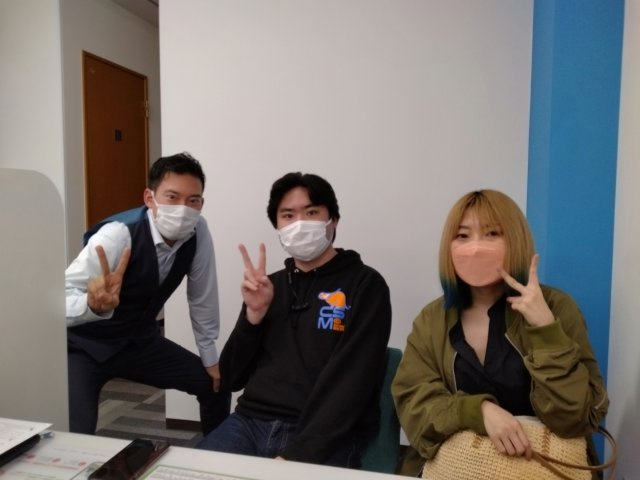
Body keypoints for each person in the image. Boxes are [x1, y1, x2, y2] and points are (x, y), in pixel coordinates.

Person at [391, 189, 609, 476]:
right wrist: (478, 411)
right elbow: (413, 402)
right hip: (458, 470)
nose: (475, 248)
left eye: (492, 234)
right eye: (463, 235)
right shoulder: (432, 319)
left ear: (515, 240)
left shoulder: (557, 307)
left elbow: (576, 417)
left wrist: (546, 331)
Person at [196, 172, 392, 468]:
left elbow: (352, 383)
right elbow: (231, 377)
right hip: (249, 422)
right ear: (278, 226)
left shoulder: (365, 285)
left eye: (311, 213)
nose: (299, 223)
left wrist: (299, 455)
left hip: (322, 433)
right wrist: (253, 317)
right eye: (288, 215)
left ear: (333, 220)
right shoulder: (268, 286)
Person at [66, 152, 230, 435]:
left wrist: (210, 358)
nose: (183, 209)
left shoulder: (198, 231)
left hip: (138, 343)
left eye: (193, 201)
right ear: (149, 198)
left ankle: (217, 452)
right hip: (85, 347)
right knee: (77, 436)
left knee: (215, 384)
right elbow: (61, 297)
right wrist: (91, 305)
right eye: (172, 197)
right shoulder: (117, 235)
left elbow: (202, 297)